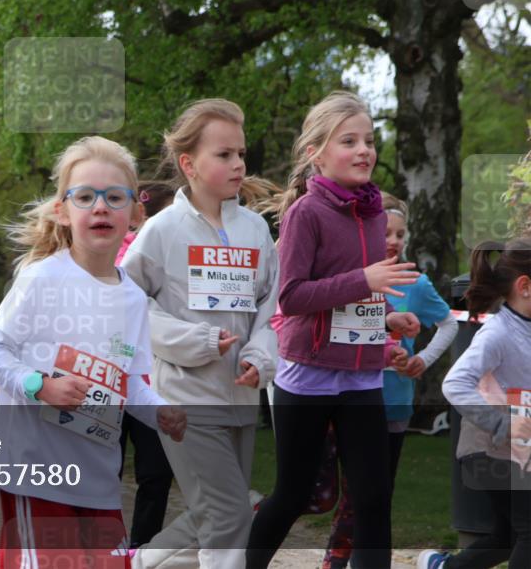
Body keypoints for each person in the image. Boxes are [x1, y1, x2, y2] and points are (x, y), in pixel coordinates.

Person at [0, 135, 187, 569]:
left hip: (99, 480)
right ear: (63, 211)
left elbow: (128, 382)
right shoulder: (42, 278)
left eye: (114, 197)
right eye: (85, 196)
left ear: (135, 213)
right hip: (38, 473)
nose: (101, 207)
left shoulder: (132, 298)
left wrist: (161, 412)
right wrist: (39, 386)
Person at [246, 91, 419, 569]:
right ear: (316, 153)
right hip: (308, 373)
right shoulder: (306, 212)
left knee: (374, 497)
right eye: (349, 141)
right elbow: (293, 296)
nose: (364, 150)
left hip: (361, 375)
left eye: (368, 139)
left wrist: (386, 323)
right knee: (294, 493)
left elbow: (357, 296)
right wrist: (366, 280)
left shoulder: (375, 213)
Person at [122, 100, 279, 568]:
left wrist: (259, 357)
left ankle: (137, 563)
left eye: (241, 153)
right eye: (224, 154)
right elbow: (128, 304)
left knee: (220, 512)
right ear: (189, 164)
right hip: (186, 399)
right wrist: (196, 343)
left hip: (241, 397)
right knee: (231, 517)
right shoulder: (162, 230)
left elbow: (270, 308)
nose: (238, 164)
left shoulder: (255, 230)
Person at [322, 192, 458, 569]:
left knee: (379, 493)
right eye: (386, 232)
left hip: (394, 401)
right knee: (350, 493)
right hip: (347, 396)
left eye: (401, 233)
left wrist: (421, 359)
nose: (394, 240)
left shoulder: (414, 282)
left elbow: (448, 323)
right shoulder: (350, 277)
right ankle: (336, 559)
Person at [418, 238, 531, 569]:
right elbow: (454, 383)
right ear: (524, 286)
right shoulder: (497, 331)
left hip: (516, 451)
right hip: (490, 447)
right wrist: (502, 423)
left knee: (507, 538)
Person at [115, 180, 175, 549]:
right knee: (106, 470)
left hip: (155, 382)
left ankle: (141, 550)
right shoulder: (113, 250)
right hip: (110, 379)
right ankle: (103, 546)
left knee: (156, 474)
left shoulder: (177, 254)